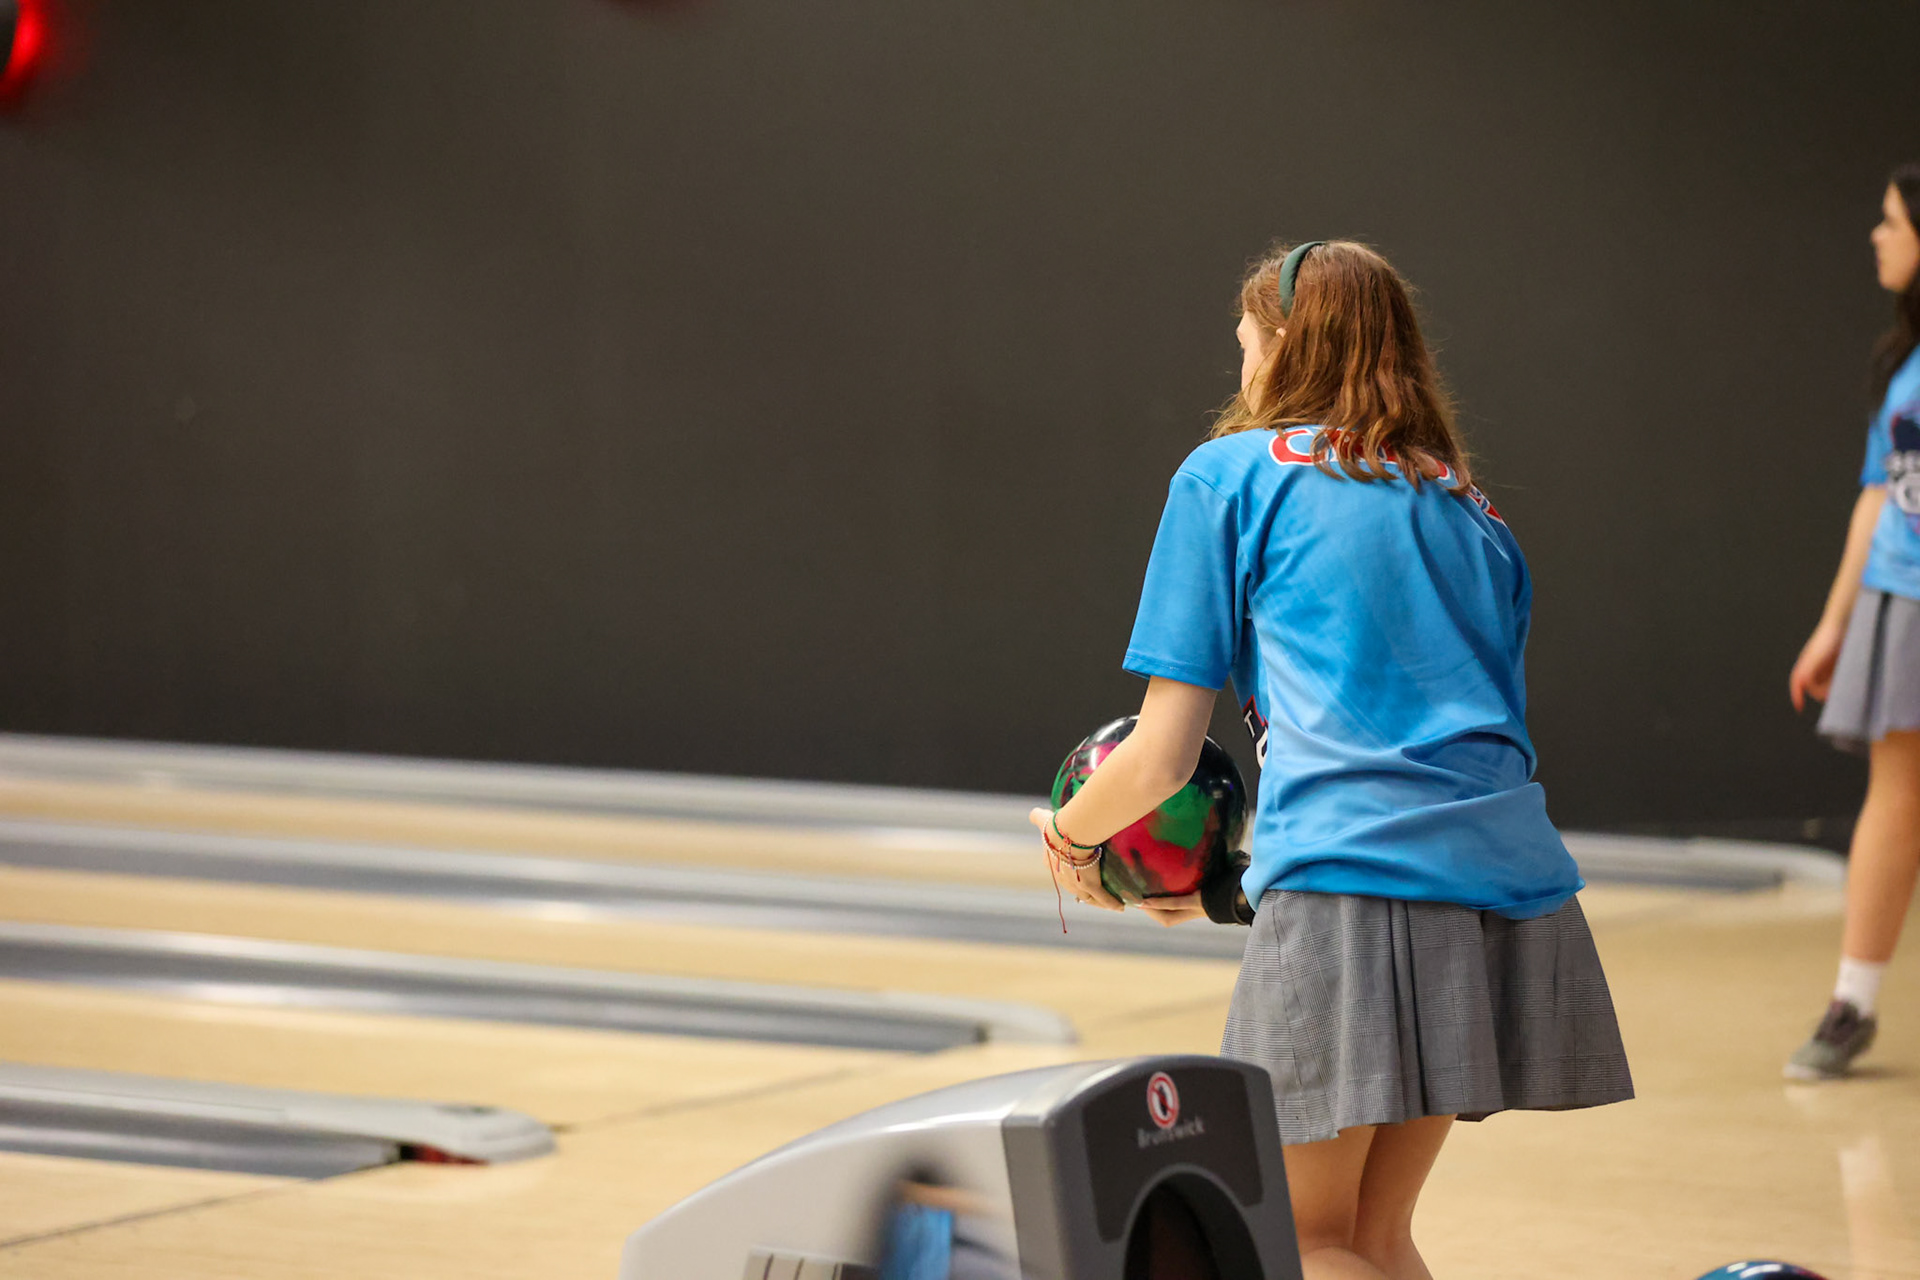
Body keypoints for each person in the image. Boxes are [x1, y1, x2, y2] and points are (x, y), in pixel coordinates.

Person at [1029, 240, 1633, 1280]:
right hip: (1499, 891)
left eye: (1245, 345)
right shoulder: (1472, 509)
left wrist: (1070, 838)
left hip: (1354, 889)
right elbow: (1431, 757)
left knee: (1302, 1245)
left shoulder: (1227, 476)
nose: (1242, 369)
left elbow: (1162, 755)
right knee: (1374, 1236)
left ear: (1282, 345)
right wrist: (1236, 890)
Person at [1786, 165, 1920, 1081]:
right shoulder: (1901, 363)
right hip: (1900, 599)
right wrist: (1835, 624)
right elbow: (1877, 494)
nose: (1877, 234)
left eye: (1892, 220)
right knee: (1895, 791)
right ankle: (1853, 1005)